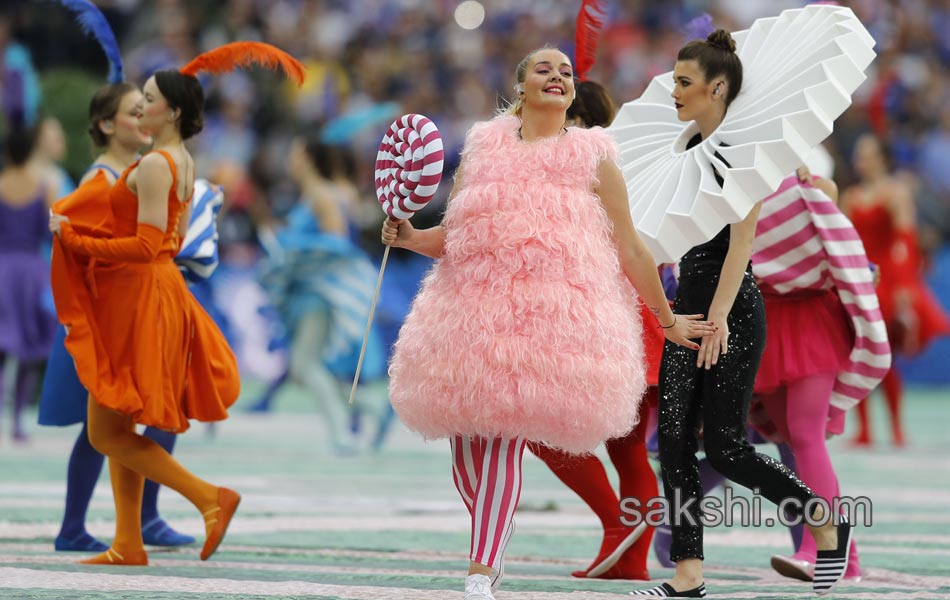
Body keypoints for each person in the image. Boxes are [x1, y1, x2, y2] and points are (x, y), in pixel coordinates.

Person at [382, 47, 715, 600]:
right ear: (520, 84)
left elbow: (630, 246)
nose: (559, 77)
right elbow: (457, 233)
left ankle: (481, 569)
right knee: (469, 452)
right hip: (469, 314)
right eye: (545, 69)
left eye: (566, 72)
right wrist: (413, 237)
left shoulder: (593, 153)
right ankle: (488, 544)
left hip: (549, 323)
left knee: (506, 444)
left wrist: (666, 316)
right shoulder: (484, 146)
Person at [632, 30, 853, 598]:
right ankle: (688, 577)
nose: (675, 92)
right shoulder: (682, 150)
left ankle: (824, 521)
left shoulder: (744, 149)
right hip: (686, 309)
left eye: (684, 83)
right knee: (676, 442)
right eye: (674, 81)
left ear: (718, 86)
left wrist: (721, 318)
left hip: (732, 307)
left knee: (727, 445)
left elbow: (741, 244)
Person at [48, 67, 243, 566]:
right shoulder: (177, 157)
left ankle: (208, 498)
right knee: (119, 426)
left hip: (140, 296)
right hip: (150, 294)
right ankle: (128, 543)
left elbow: (146, 245)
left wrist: (73, 238)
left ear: (172, 112)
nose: (140, 107)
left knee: (105, 432)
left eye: (148, 100)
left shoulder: (156, 163)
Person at [37, 81, 195, 552]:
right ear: (107, 125)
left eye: (147, 106)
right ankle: (96, 524)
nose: (143, 115)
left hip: (138, 306)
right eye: (133, 110)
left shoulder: (147, 169)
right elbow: (78, 251)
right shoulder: (101, 179)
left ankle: (128, 521)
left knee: (132, 419)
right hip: (111, 316)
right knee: (109, 424)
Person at [526, 79, 663, 581]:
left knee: (536, 427)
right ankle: (629, 559)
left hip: (598, 316)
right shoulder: (618, 164)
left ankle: (617, 532)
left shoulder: (584, 165)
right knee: (625, 451)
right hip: (620, 314)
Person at [752, 164, 884, 583]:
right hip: (766, 322)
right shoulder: (722, 182)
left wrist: (816, 187)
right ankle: (850, 558)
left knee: (806, 437)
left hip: (810, 321)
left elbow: (833, 217)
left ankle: (818, 547)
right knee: (793, 442)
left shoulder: (804, 180)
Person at [258, 133, 388, 454]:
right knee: (306, 369)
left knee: (304, 365)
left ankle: (344, 433)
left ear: (307, 159)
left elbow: (337, 242)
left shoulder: (321, 194)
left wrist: (289, 244)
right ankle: (371, 408)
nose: (290, 160)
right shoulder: (312, 194)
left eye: (295, 153)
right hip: (306, 293)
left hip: (319, 294)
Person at [841, 133, 950, 447]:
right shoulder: (851, 196)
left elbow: (905, 241)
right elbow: (844, 242)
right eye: (859, 155)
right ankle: (864, 429)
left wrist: (904, 287)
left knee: (884, 356)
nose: (860, 161)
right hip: (861, 278)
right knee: (857, 354)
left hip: (887, 278)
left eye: (867, 154)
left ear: (882, 158)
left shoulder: (895, 192)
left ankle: (897, 427)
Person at [0, 111, 57, 443]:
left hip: (3, 271)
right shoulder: (43, 187)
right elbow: (52, 234)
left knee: (4, 345)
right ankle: (18, 421)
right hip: (32, 274)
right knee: (29, 350)